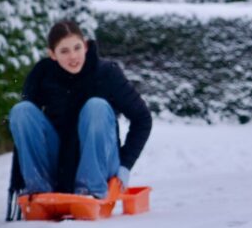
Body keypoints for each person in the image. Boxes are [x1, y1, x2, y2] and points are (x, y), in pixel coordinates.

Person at [9, 20, 152, 199]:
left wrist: (125, 164)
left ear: (85, 46)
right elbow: (28, 131)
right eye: (64, 51)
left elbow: (142, 118)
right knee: (22, 111)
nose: (73, 56)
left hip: (101, 164)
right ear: (52, 54)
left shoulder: (107, 73)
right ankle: (39, 192)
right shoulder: (43, 75)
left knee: (96, 106)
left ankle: (90, 191)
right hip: (60, 162)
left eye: (77, 48)